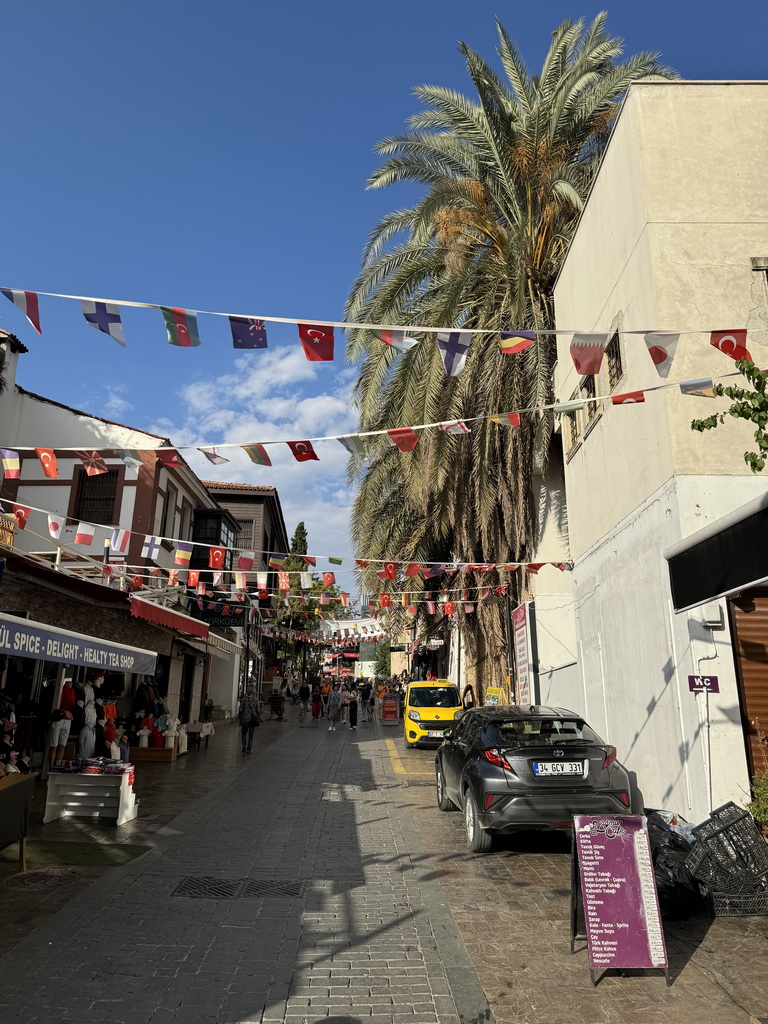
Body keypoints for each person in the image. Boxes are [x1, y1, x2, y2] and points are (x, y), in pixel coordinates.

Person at [238, 685, 261, 754]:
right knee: (251, 735)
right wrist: (259, 718)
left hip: (245, 719)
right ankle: (249, 749)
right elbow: (258, 710)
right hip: (253, 719)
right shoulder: (256, 700)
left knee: (244, 734)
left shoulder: (244, 700)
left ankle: (244, 746)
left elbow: (240, 709)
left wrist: (240, 717)